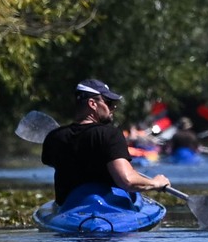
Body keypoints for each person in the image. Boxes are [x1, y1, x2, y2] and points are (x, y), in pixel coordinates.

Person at [41, 78, 170, 207]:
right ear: (92, 103)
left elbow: (52, 161)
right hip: (107, 209)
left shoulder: (54, 137)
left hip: (68, 208)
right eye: (108, 102)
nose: (113, 107)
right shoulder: (109, 134)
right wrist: (155, 183)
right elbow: (127, 181)